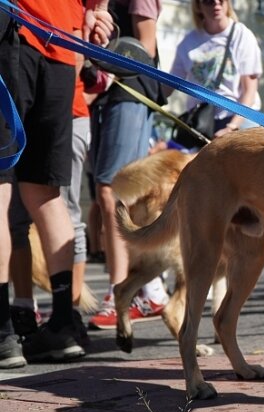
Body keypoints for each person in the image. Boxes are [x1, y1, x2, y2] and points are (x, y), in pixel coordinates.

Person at [0, 0, 113, 368]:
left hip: (14, 32)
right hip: (62, 46)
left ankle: (3, 333)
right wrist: (94, 13)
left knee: (1, 189)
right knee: (46, 194)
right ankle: (63, 323)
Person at [88, 0, 170, 330]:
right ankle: (151, 289)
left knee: (113, 193)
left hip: (128, 91)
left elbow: (143, 51)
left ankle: (122, 291)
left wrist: (105, 76)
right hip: (103, 93)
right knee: (107, 194)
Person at [168, 0, 263, 138]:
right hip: (201, 122)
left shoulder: (241, 35)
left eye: (221, 0)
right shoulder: (188, 42)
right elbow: (169, 85)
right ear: (198, 6)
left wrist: (232, 126)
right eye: (209, 1)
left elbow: (249, 91)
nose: (216, 4)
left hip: (239, 118)